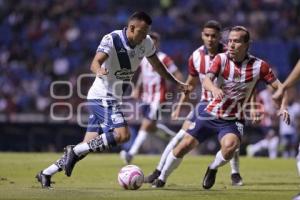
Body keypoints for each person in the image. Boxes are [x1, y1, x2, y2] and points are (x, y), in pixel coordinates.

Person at [35, 11, 188, 189]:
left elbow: (158, 66)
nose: (145, 35)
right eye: (142, 31)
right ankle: (73, 150)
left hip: (112, 97)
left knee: (87, 145)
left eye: (148, 31)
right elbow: (95, 62)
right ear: (131, 28)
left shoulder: (145, 42)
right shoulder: (112, 39)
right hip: (102, 95)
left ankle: (46, 173)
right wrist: (98, 70)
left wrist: (176, 82)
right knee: (123, 135)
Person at [151, 26, 290, 189]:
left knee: (231, 146)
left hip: (233, 119)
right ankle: (162, 178)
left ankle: (213, 168)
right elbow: (207, 80)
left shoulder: (260, 66)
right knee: (184, 144)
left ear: (246, 44)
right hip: (209, 112)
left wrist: (284, 106)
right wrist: (215, 89)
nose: (231, 45)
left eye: (236, 41)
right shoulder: (220, 59)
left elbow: (281, 87)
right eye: (229, 41)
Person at [145, 20, 245, 187]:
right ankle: (159, 172)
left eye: (214, 36)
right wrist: (179, 105)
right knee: (180, 138)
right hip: (205, 104)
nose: (210, 39)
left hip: (229, 105)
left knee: (231, 141)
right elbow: (190, 83)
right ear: (202, 36)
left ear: (219, 37)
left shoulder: (231, 54)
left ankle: (235, 172)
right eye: (207, 35)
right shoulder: (196, 56)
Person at [119, 31, 183, 164]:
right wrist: (137, 88)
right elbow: (143, 75)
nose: (151, 44)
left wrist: (178, 89)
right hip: (145, 97)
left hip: (159, 97)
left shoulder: (164, 58)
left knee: (146, 124)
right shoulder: (143, 58)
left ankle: (131, 153)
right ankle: (175, 138)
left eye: (154, 42)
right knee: (151, 127)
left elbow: (177, 73)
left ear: (157, 44)